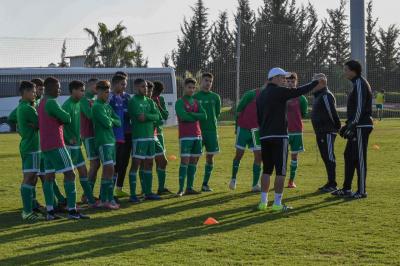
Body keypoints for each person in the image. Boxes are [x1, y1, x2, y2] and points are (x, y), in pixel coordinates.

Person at [256, 68, 326, 212]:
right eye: (282, 77)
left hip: (264, 136)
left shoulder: (261, 95)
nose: (284, 80)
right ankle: (277, 204)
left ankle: (263, 202)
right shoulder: (279, 91)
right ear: (274, 78)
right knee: (281, 172)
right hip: (280, 136)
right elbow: (298, 91)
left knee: (266, 170)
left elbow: (259, 117)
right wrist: (316, 82)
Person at [38, 77, 88, 220]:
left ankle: (50, 212)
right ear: (49, 88)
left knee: (49, 177)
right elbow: (67, 118)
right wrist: (61, 119)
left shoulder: (41, 103)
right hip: (56, 144)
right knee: (70, 174)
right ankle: (72, 211)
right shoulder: (52, 103)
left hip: (45, 146)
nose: (59, 90)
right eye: (57, 87)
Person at [333, 60, 373, 199]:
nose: (344, 73)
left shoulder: (360, 83)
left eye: (345, 70)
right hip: (356, 124)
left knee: (360, 158)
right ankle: (346, 188)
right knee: (349, 155)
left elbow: (360, 107)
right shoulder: (356, 84)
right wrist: (348, 124)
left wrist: (352, 124)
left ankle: (362, 191)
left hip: (362, 126)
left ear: (353, 71)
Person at [62, 80, 99, 207]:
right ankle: (69, 203)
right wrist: (68, 137)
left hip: (77, 145)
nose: (83, 93)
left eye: (84, 90)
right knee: (69, 175)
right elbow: (59, 125)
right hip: (70, 146)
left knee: (83, 171)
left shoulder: (78, 103)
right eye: (81, 90)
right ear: (73, 91)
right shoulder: (67, 105)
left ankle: (90, 200)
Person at [128, 78, 161, 202]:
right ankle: (132, 194)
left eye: (146, 86)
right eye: (143, 86)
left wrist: (147, 116)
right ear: (136, 88)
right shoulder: (133, 101)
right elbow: (139, 118)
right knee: (136, 164)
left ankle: (148, 192)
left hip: (150, 137)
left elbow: (157, 116)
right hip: (139, 138)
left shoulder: (149, 101)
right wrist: (150, 117)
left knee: (149, 164)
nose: (145, 89)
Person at [15, 81, 43, 221]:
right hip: (31, 146)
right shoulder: (28, 108)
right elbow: (42, 123)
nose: (35, 94)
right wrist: (36, 125)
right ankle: (26, 212)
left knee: (33, 177)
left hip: (32, 146)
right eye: (32, 92)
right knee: (29, 177)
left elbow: (37, 124)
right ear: (25, 92)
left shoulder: (23, 106)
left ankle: (30, 208)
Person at [92, 80, 121, 209]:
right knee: (108, 169)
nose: (107, 94)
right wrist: (111, 120)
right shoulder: (97, 106)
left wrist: (111, 120)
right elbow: (107, 124)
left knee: (111, 170)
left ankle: (108, 199)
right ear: (98, 91)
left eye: (108, 92)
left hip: (111, 141)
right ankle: (105, 200)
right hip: (103, 142)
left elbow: (119, 121)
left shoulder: (107, 107)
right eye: (104, 92)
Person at [175, 78, 207, 196]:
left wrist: (192, 114)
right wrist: (196, 116)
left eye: (193, 88)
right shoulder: (180, 102)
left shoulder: (196, 102)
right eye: (189, 87)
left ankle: (189, 187)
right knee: (184, 162)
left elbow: (205, 116)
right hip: (185, 136)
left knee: (193, 162)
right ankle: (180, 189)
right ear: (184, 88)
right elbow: (183, 117)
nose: (192, 90)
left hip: (197, 136)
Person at [310, 74, 341, 192]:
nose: (312, 85)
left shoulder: (326, 95)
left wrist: (337, 127)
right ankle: (330, 182)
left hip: (327, 131)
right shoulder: (319, 96)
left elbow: (332, 113)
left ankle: (332, 184)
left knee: (329, 157)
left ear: (322, 82)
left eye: (315, 82)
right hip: (321, 132)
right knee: (325, 156)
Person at [229, 86, 263, 192]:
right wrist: (236, 128)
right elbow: (239, 111)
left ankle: (255, 185)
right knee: (239, 155)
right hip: (243, 129)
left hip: (256, 130)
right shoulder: (250, 94)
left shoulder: (271, 97)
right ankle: (233, 179)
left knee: (259, 156)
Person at [194, 73, 221, 192]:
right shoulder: (195, 97)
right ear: (201, 81)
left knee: (210, 157)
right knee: (195, 158)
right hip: (197, 132)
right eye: (206, 81)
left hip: (211, 131)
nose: (208, 83)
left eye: (210, 81)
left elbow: (217, 113)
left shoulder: (216, 97)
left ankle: (205, 184)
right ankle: (190, 186)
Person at [109, 74, 131, 198]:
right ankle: (110, 190)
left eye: (125, 84)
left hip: (127, 133)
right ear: (115, 84)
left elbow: (131, 112)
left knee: (124, 162)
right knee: (115, 164)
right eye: (122, 84)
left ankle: (119, 188)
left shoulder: (127, 97)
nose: (124, 87)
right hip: (115, 135)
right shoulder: (110, 97)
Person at [286, 73, 309, 188]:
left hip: (296, 131)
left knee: (294, 156)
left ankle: (291, 181)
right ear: (285, 82)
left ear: (296, 82)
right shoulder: (282, 96)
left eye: (292, 82)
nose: (290, 83)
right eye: (288, 81)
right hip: (283, 132)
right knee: (282, 156)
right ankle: (279, 179)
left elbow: (304, 113)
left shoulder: (301, 98)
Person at [80, 78, 100, 201]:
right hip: (88, 135)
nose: (98, 90)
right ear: (91, 86)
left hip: (96, 135)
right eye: (97, 87)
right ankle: (86, 195)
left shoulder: (94, 100)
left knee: (96, 165)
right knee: (94, 164)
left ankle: (88, 193)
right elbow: (89, 115)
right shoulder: (83, 99)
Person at [151, 81, 171, 195]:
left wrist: (158, 105)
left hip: (159, 134)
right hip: (148, 134)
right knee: (147, 162)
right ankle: (145, 190)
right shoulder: (146, 100)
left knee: (161, 162)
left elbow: (165, 116)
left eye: (159, 93)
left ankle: (161, 188)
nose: (156, 94)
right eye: (156, 92)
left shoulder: (160, 100)